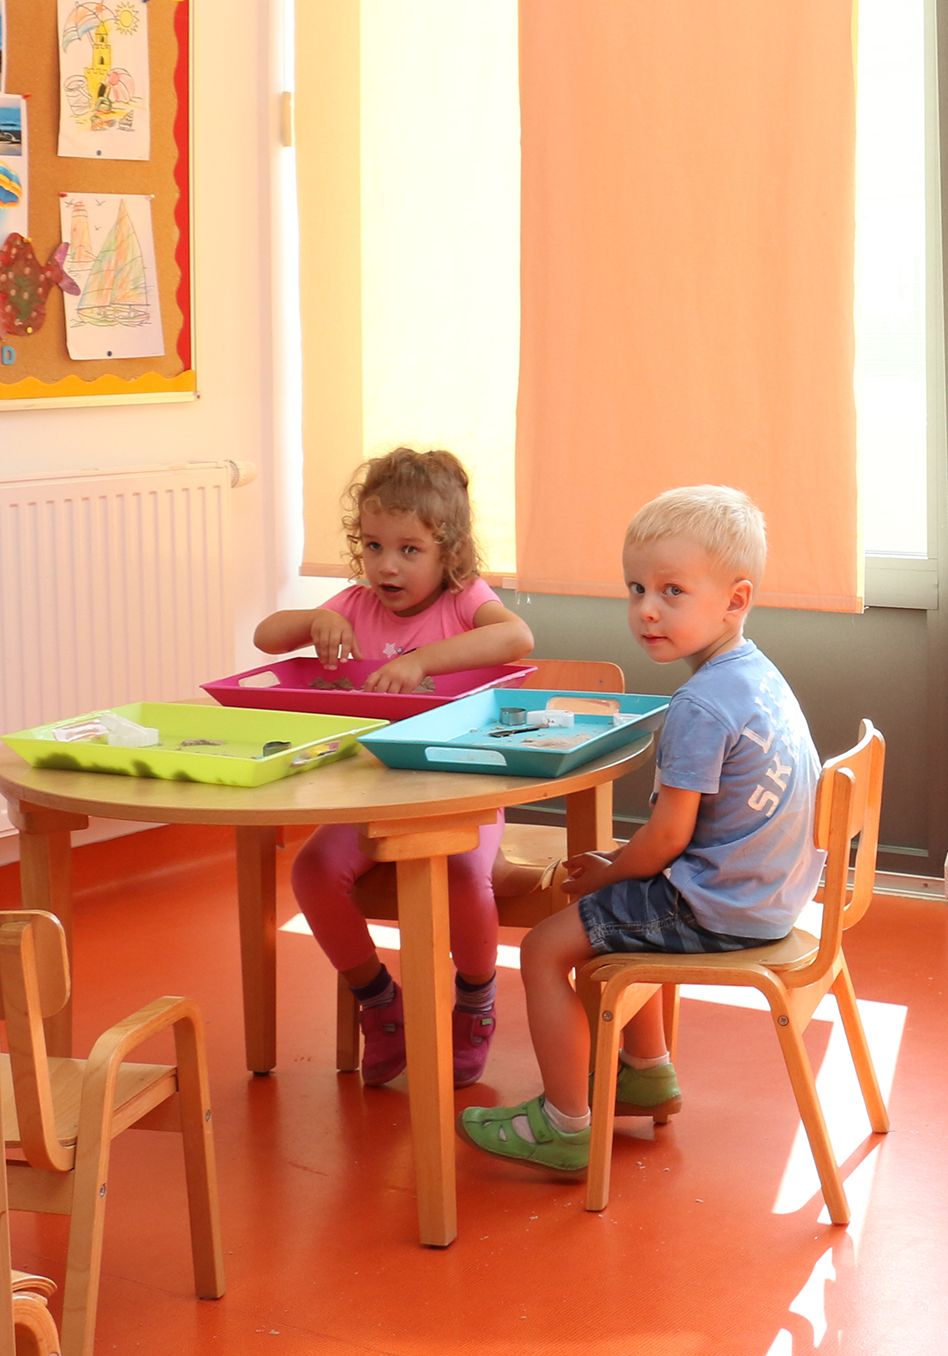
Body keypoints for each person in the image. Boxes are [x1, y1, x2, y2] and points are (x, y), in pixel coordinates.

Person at [460, 484, 823, 1173]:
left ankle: (564, 1124)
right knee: (617, 901)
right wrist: (621, 870)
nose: (646, 610)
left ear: (736, 600)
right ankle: (645, 1070)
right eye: (636, 589)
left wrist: (610, 868)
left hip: (720, 906)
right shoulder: (757, 675)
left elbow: (664, 842)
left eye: (672, 591)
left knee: (543, 948)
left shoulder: (700, 705)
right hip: (769, 893)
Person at [256, 448, 536, 1087]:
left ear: (449, 553)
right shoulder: (354, 604)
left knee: (463, 875)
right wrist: (316, 618)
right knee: (312, 872)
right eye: (374, 546)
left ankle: (476, 1003)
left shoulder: (464, 601)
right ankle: (380, 1004)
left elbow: (517, 638)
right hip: (371, 795)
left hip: (460, 791)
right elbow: (267, 637)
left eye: (410, 550)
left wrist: (422, 661)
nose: (387, 565)